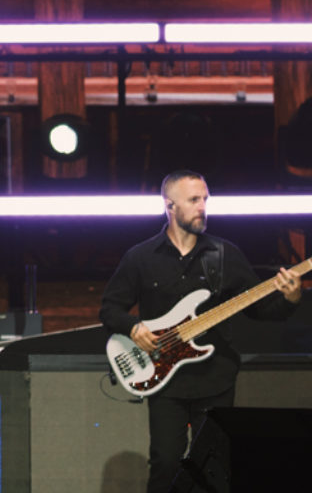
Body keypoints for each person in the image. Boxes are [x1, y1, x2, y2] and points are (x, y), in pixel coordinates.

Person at [99, 170, 302, 492]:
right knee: (166, 463)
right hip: (164, 379)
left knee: (216, 467)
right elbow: (109, 309)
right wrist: (134, 327)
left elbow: (260, 310)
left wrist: (290, 298)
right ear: (170, 205)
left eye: (205, 199)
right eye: (194, 200)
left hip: (215, 377)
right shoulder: (141, 257)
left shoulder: (225, 255)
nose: (202, 207)